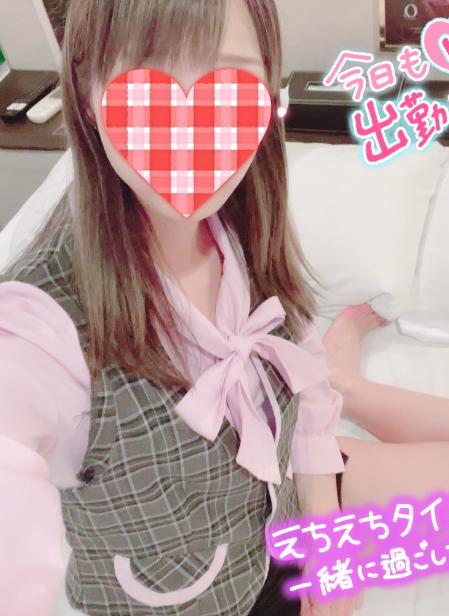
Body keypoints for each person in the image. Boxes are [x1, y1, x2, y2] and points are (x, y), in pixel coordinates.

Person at [0, 1, 361, 615]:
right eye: (148, 77)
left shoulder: (246, 225)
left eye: (230, 77)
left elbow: (305, 385)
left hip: (278, 550)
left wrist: (326, 548)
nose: (191, 130)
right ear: (86, 93)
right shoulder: (44, 331)